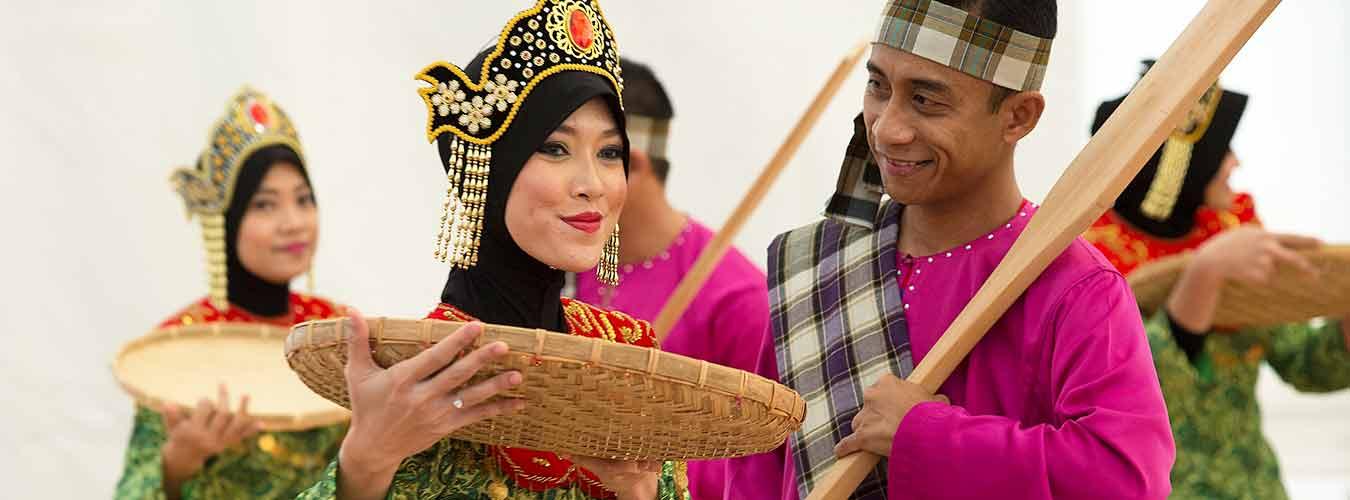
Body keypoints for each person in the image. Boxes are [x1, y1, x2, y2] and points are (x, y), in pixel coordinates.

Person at [766, 1, 1174, 498]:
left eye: (926, 100)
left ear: (1018, 116)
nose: (887, 128)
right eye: (878, 87)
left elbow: (1127, 480)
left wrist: (927, 434)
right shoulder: (811, 266)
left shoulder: (1074, 289)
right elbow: (753, 473)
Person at [297, 1, 687, 498]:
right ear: (489, 165)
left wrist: (640, 491)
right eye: (554, 148)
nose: (593, 183)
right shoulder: (411, 373)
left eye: (610, 153)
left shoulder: (628, 355)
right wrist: (365, 462)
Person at [1086, 63, 1350, 500]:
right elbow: (1131, 395)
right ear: (1181, 162)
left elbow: (1305, 365)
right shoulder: (1092, 265)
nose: (1235, 162)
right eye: (1222, 148)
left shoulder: (1232, 233)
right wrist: (1204, 276)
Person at [114, 87, 347, 499]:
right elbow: (130, 492)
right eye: (264, 205)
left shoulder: (335, 335)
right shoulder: (181, 345)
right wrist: (179, 460)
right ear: (227, 218)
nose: (293, 222)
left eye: (303, 199)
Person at [569, 58, 782, 500]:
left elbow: (765, 463)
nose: (564, 184)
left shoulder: (737, 298)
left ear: (634, 164)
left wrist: (642, 460)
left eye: (575, 160)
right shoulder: (569, 257)